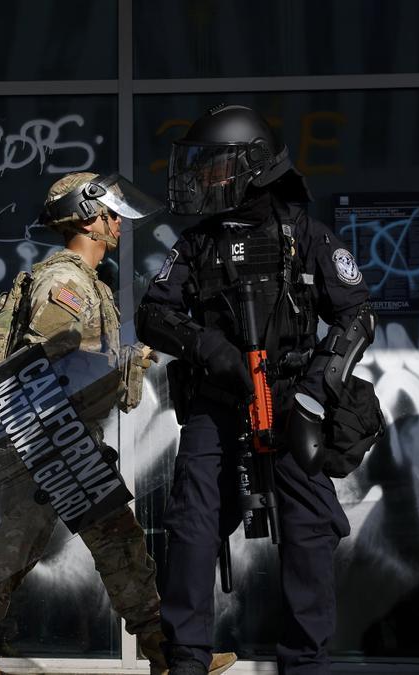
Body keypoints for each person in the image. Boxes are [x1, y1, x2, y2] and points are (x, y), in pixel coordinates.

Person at [0, 172, 236, 675]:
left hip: (65, 440)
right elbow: (44, 369)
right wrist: (120, 366)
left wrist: (126, 358)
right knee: (29, 540)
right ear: (90, 219)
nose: (118, 223)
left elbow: (77, 361)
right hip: (52, 439)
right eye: (111, 215)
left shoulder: (85, 279)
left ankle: (162, 649)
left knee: (110, 537)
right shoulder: (66, 282)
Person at [136, 104, 375, 675]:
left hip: (293, 399)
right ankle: (188, 658)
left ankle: (305, 663)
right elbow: (153, 314)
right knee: (193, 520)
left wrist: (315, 393)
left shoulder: (307, 236)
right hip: (219, 400)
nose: (205, 179)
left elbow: (356, 316)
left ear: (253, 169)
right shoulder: (197, 244)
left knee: (310, 531)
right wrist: (210, 350)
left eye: (216, 168)